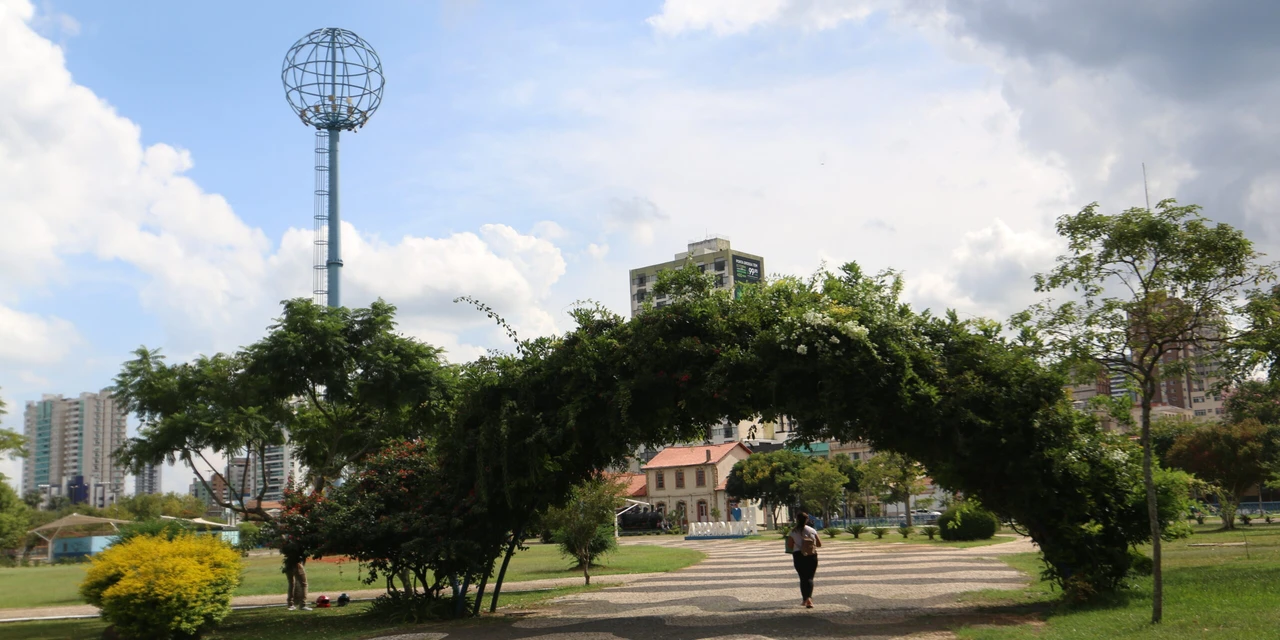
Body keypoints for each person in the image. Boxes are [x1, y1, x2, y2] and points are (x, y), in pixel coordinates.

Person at [788, 511, 821, 608]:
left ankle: (805, 599)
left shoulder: (793, 532)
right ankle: (809, 599)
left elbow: (789, 546)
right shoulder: (812, 530)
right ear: (807, 520)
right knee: (810, 577)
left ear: (797, 520)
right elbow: (819, 544)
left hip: (799, 556)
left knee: (803, 578)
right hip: (812, 555)